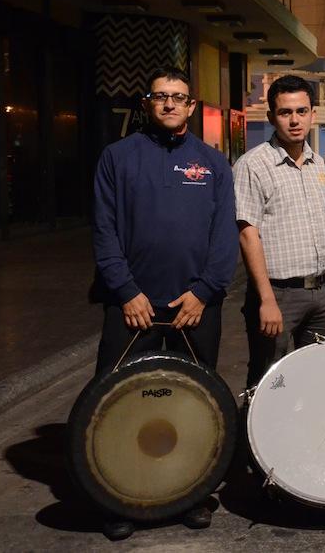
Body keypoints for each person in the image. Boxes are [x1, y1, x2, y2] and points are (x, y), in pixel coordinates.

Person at [90, 66, 238, 540]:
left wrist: (203, 293)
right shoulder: (117, 158)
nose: (170, 104)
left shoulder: (212, 164)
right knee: (118, 407)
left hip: (195, 309)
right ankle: (118, 499)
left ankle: (189, 496)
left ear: (192, 105)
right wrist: (127, 291)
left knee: (192, 407)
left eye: (178, 97)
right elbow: (105, 231)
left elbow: (224, 239)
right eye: (160, 97)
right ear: (147, 104)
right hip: (131, 308)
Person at [233, 74, 325, 389]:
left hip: (324, 292)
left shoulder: (320, 165)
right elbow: (248, 235)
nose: (295, 120)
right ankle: (254, 439)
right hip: (279, 295)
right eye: (286, 113)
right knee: (269, 380)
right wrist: (266, 298)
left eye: (301, 111)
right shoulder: (252, 165)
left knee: (324, 377)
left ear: (313, 114)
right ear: (272, 117)